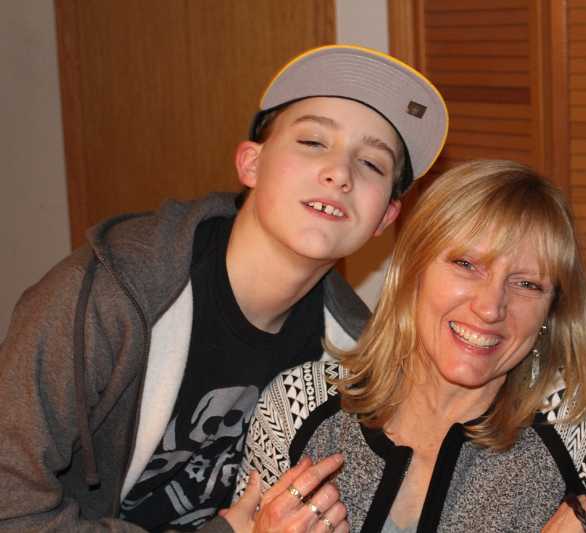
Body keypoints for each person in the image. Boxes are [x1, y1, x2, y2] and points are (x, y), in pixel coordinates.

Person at [0, 45, 448, 532]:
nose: (339, 173)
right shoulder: (110, 295)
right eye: (313, 141)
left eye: (372, 164)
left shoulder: (354, 355)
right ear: (251, 164)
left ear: (385, 217)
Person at [235, 159, 586, 533]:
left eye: (527, 284)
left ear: (552, 312)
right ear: (412, 272)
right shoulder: (299, 405)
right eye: (466, 264)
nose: (491, 307)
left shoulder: (582, 423)